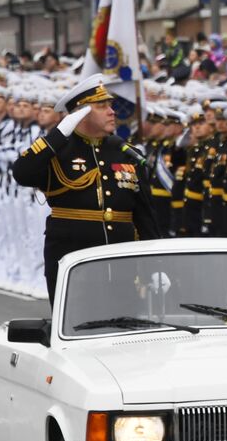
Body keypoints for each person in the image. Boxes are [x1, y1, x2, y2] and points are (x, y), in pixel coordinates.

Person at [10, 74, 159, 303]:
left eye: (110, 105)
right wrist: (58, 134)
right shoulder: (59, 150)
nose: (112, 111)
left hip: (123, 267)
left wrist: (154, 267)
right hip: (75, 266)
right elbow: (22, 172)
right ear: (82, 113)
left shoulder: (124, 151)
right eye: (102, 106)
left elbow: (145, 216)